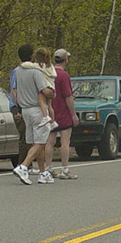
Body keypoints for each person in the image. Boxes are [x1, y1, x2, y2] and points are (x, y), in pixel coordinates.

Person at [12, 47, 56, 185]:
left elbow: (15, 91)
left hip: (25, 110)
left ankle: (42, 173)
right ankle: (23, 166)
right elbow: (44, 91)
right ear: (32, 56)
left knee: (35, 142)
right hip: (37, 109)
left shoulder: (18, 71)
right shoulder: (36, 72)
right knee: (41, 142)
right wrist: (52, 93)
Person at [43, 48, 80, 180]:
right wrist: (73, 114)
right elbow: (68, 96)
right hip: (63, 111)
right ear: (65, 60)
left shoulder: (48, 73)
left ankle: (48, 168)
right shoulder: (64, 75)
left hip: (50, 110)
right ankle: (64, 169)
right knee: (65, 141)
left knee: (50, 141)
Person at [21, 48, 58, 129]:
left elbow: (27, 65)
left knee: (40, 101)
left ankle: (45, 116)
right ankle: (53, 121)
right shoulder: (50, 66)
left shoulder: (39, 66)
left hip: (46, 87)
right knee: (49, 105)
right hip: (52, 87)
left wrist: (22, 64)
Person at [10, 44, 34, 167]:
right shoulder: (18, 71)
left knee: (29, 136)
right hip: (18, 107)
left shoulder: (28, 70)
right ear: (31, 56)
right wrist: (18, 110)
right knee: (24, 137)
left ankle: (28, 164)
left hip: (25, 106)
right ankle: (22, 165)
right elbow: (14, 91)